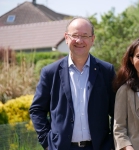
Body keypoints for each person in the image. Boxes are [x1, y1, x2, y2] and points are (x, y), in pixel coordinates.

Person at [29, 17, 116, 150]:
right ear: (66, 37)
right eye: (74, 35)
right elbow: (37, 110)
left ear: (92, 39)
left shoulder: (106, 71)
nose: (79, 41)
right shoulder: (50, 72)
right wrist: (47, 143)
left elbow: (117, 111)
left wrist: (111, 143)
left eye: (85, 36)